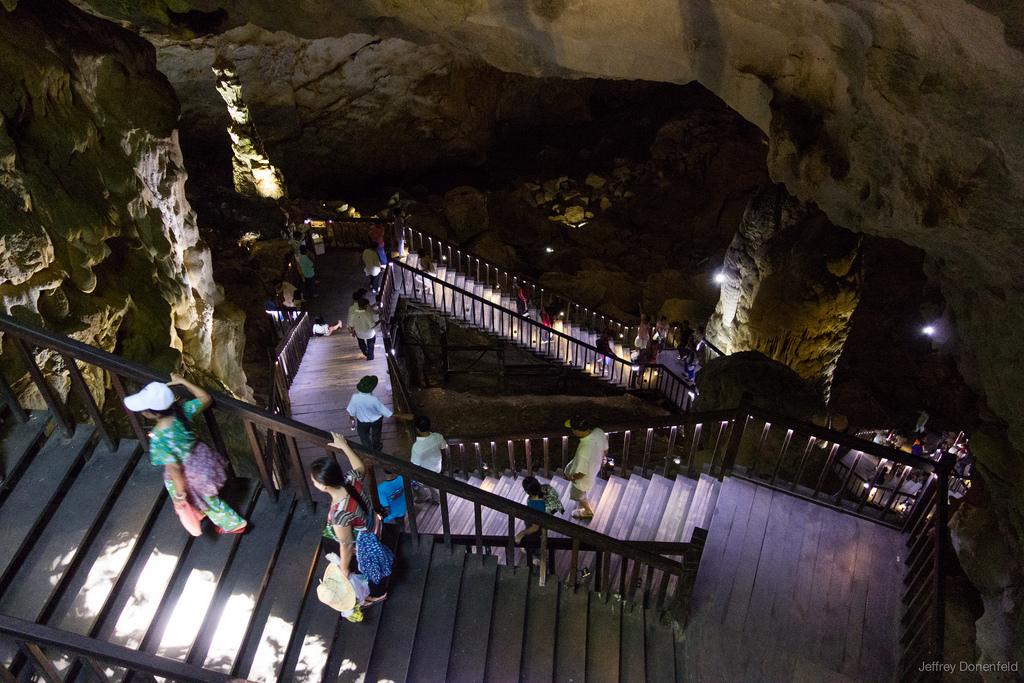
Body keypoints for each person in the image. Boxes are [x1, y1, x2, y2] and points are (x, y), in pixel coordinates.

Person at [123, 374, 247, 533]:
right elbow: (205, 398)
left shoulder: (159, 439)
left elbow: (175, 471)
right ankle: (202, 511)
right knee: (206, 497)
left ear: (150, 413)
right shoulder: (183, 412)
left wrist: (180, 497)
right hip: (201, 459)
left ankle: (234, 524)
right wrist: (182, 381)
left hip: (191, 475)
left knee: (209, 502)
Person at [311, 434, 391, 607]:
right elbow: (360, 466)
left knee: (371, 569)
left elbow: (346, 545)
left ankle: (379, 594)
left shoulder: (339, 515)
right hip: (374, 525)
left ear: (323, 486)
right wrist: (344, 446)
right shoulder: (351, 479)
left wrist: (344, 569)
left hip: (365, 542)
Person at [345, 375, 411, 453]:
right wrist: (403, 416)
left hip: (362, 422)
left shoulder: (355, 397)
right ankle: (377, 448)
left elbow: (351, 410)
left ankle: (368, 450)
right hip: (376, 421)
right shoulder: (374, 399)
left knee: (364, 437)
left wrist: (351, 418)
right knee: (376, 435)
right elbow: (386, 412)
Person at [564, 416, 608, 520]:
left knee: (579, 495)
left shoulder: (584, 450)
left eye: (572, 429)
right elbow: (605, 449)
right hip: (593, 468)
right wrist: (602, 458)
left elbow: (582, 473)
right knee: (569, 471)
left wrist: (572, 478)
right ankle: (583, 505)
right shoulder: (599, 432)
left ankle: (588, 511)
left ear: (577, 432)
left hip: (583, 480)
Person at [514, 476, 557, 567]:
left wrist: (522, 533)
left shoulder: (534, 506)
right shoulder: (545, 491)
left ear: (526, 491)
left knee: (535, 542)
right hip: (544, 518)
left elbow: (535, 527)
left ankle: (543, 559)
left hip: (536, 524)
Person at [410, 415, 447, 504]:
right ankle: (437, 499)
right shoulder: (438, 436)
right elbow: (443, 446)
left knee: (416, 484)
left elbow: (415, 464)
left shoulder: (416, 446)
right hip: (437, 467)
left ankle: (423, 497)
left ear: (417, 429)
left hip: (425, 473)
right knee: (434, 486)